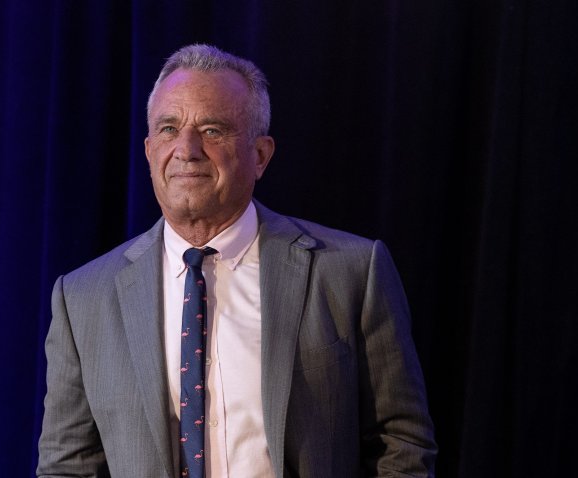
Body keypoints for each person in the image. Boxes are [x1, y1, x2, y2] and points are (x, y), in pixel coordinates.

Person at [37, 44, 437, 477]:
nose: (186, 149)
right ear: (150, 151)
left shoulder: (351, 272)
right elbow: (68, 467)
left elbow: (400, 442)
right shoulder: (83, 298)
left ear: (260, 155)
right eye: (169, 129)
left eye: (212, 130)